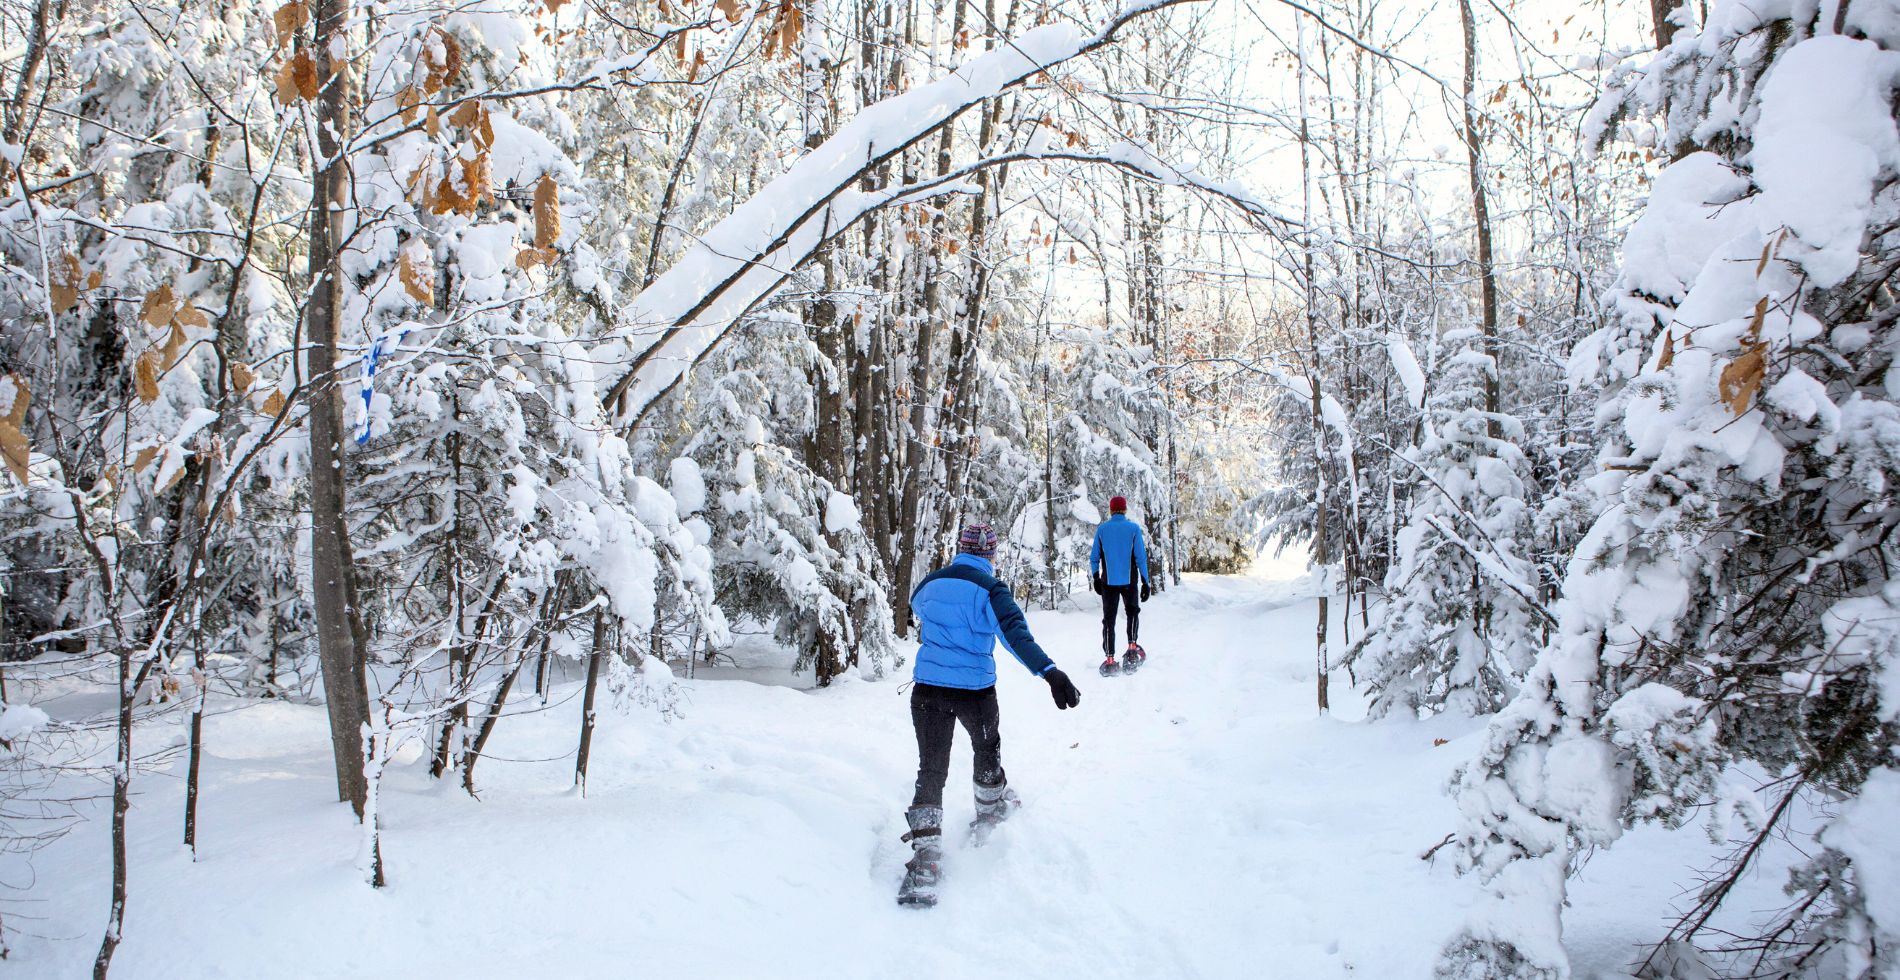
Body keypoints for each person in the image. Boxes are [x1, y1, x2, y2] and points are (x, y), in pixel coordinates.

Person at [897, 521, 1081, 907]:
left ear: (960, 548)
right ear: (992, 554)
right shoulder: (992, 590)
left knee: (931, 769)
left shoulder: (930, 583)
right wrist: (1049, 672)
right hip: (975, 693)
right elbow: (1016, 636)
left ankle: (926, 859)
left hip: (928, 690)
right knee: (987, 749)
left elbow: (916, 607)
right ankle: (989, 811)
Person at [1089, 495, 1152, 675]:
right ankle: (1132, 651)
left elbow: (1094, 558)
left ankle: (1110, 660)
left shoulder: (1102, 530)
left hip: (1108, 582)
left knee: (1109, 620)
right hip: (1129, 580)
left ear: (1110, 510)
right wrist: (1146, 581)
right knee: (1132, 613)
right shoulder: (1133, 529)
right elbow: (1141, 558)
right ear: (1124, 510)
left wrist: (1095, 578)